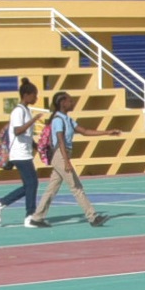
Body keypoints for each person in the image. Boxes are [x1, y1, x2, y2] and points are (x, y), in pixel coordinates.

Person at [26, 90, 103, 228]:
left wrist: (108, 132)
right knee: (76, 187)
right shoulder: (58, 120)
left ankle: (37, 218)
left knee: (52, 188)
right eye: (70, 100)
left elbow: (85, 131)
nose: (72, 103)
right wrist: (67, 161)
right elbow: (60, 141)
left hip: (63, 154)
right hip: (61, 155)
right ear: (62, 103)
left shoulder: (68, 119)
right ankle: (93, 217)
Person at [0, 78, 43, 225]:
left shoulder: (26, 111)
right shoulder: (18, 111)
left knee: (30, 185)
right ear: (26, 95)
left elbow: (28, 136)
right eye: (34, 95)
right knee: (32, 183)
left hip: (25, 153)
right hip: (18, 154)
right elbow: (18, 131)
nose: (36, 98)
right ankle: (29, 215)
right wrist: (33, 120)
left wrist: (38, 147)